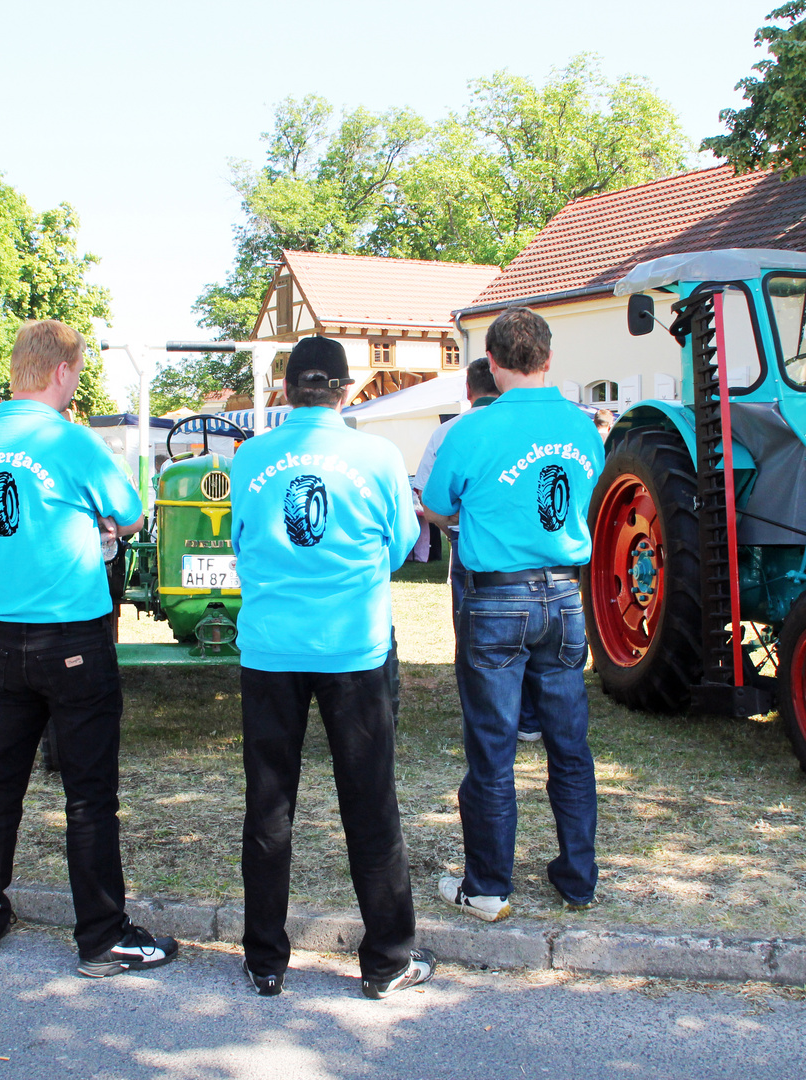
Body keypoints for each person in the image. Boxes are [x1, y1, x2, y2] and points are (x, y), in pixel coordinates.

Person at [0, 319, 178, 977]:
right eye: (77, 374)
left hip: (2, 639)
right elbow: (132, 513)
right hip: (73, 636)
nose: (76, 384)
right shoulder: (69, 441)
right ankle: (101, 937)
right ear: (60, 371)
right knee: (88, 794)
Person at [230, 335, 434, 999]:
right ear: (345, 390)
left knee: (269, 807)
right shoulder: (376, 456)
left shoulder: (249, 459)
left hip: (269, 650)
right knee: (371, 807)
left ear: (286, 391)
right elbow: (404, 544)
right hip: (353, 649)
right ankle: (387, 960)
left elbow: (241, 540)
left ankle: (264, 960)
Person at [422, 307, 605, 923]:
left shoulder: (471, 430)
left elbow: (437, 503)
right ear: (549, 360)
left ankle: (489, 887)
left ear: (493, 366)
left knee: (493, 747)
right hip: (565, 594)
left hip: (496, 595)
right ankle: (578, 877)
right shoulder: (583, 427)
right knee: (570, 745)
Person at [412, 358, 542, 742]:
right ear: (501, 382)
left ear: (468, 391)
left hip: (468, 544)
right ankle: (529, 718)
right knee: (534, 632)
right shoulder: (527, 428)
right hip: (528, 544)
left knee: (474, 636)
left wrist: (453, 524)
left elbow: (426, 495)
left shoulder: (451, 430)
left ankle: (489, 721)